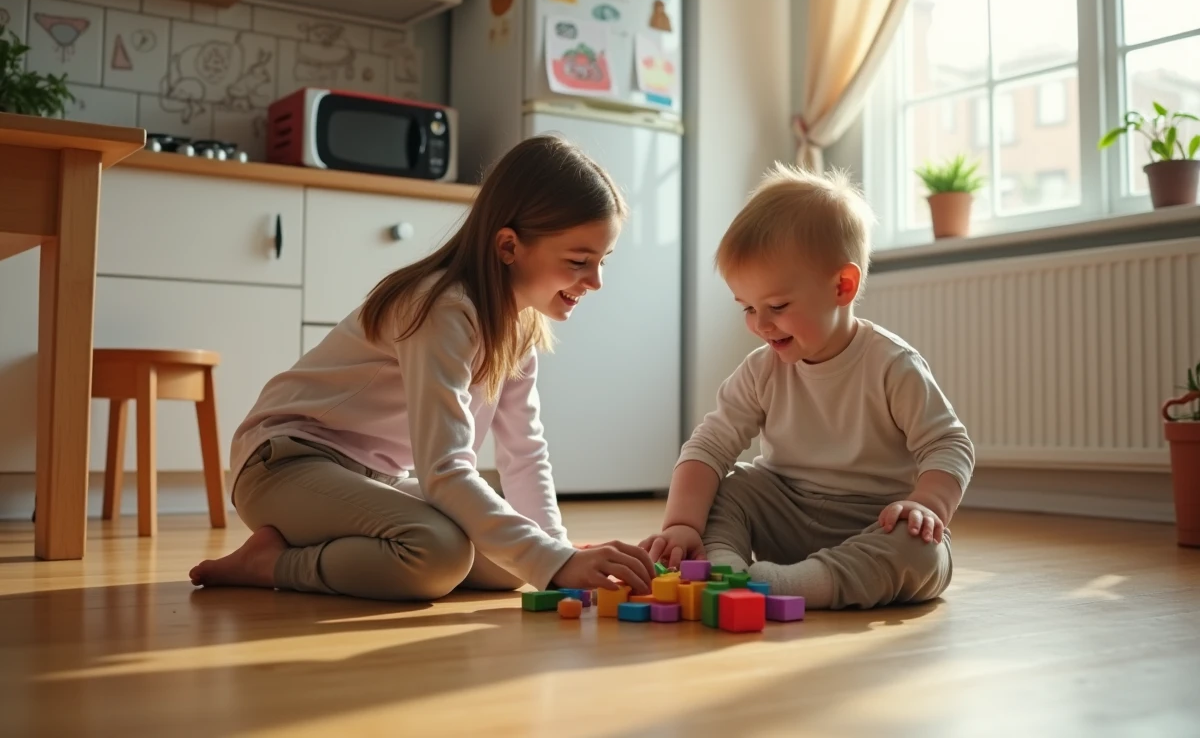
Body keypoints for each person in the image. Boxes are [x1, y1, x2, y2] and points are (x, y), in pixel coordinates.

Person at [191, 135, 656, 600]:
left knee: (515, 565)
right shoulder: (442, 308)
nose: (595, 281)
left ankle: (330, 541)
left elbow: (525, 452)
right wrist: (556, 559)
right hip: (286, 464)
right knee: (438, 554)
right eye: (579, 261)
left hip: (376, 478)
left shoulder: (519, 330)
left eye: (602, 262)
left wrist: (556, 554)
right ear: (509, 246)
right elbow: (445, 470)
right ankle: (272, 563)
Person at [640, 163, 974, 609]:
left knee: (924, 550)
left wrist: (927, 504)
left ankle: (799, 585)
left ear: (843, 285)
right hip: (786, 511)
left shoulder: (893, 365)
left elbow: (949, 444)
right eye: (747, 308)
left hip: (871, 522)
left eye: (776, 305)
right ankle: (724, 569)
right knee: (730, 485)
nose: (760, 324)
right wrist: (681, 524)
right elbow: (708, 447)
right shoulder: (761, 370)